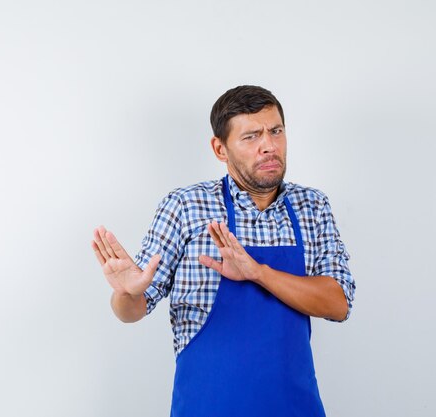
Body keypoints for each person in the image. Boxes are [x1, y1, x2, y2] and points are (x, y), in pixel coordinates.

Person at [92, 85, 355, 417]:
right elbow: (132, 310)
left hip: (294, 408)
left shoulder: (312, 206)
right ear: (220, 148)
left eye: (276, 131)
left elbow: (338, 303)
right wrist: (126, 293)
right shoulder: (186, 207)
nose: (269, 146)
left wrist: (258, 272)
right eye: (251, 137)